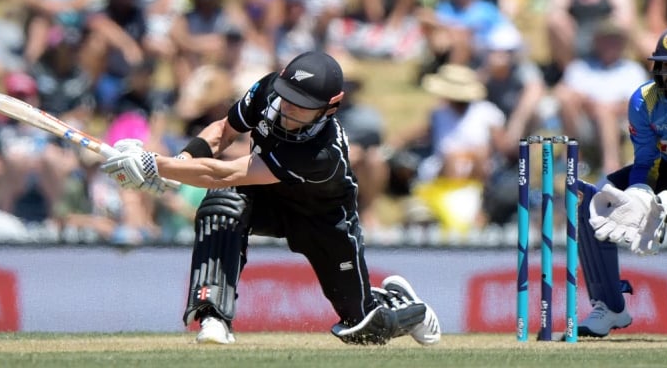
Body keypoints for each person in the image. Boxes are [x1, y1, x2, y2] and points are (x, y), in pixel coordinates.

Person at [100, 51, 441, 346]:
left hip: (322, 219)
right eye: (287, 96)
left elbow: (228, 171)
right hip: (266, 197)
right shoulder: (268, 91)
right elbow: (223, 131)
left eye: (302, 106)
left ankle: (405, 305)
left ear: (329, 107)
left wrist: (156, 165)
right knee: (222, 204)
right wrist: (182, 162)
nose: (288, 109)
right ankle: (213, 318)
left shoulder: (321, 153)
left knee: (364, 327)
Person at [575, 23, 667, 337]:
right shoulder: (644, 100)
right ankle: (609, 306)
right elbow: (645, 163)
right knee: (593, 201)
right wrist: (638, 194)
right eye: (666, 66)